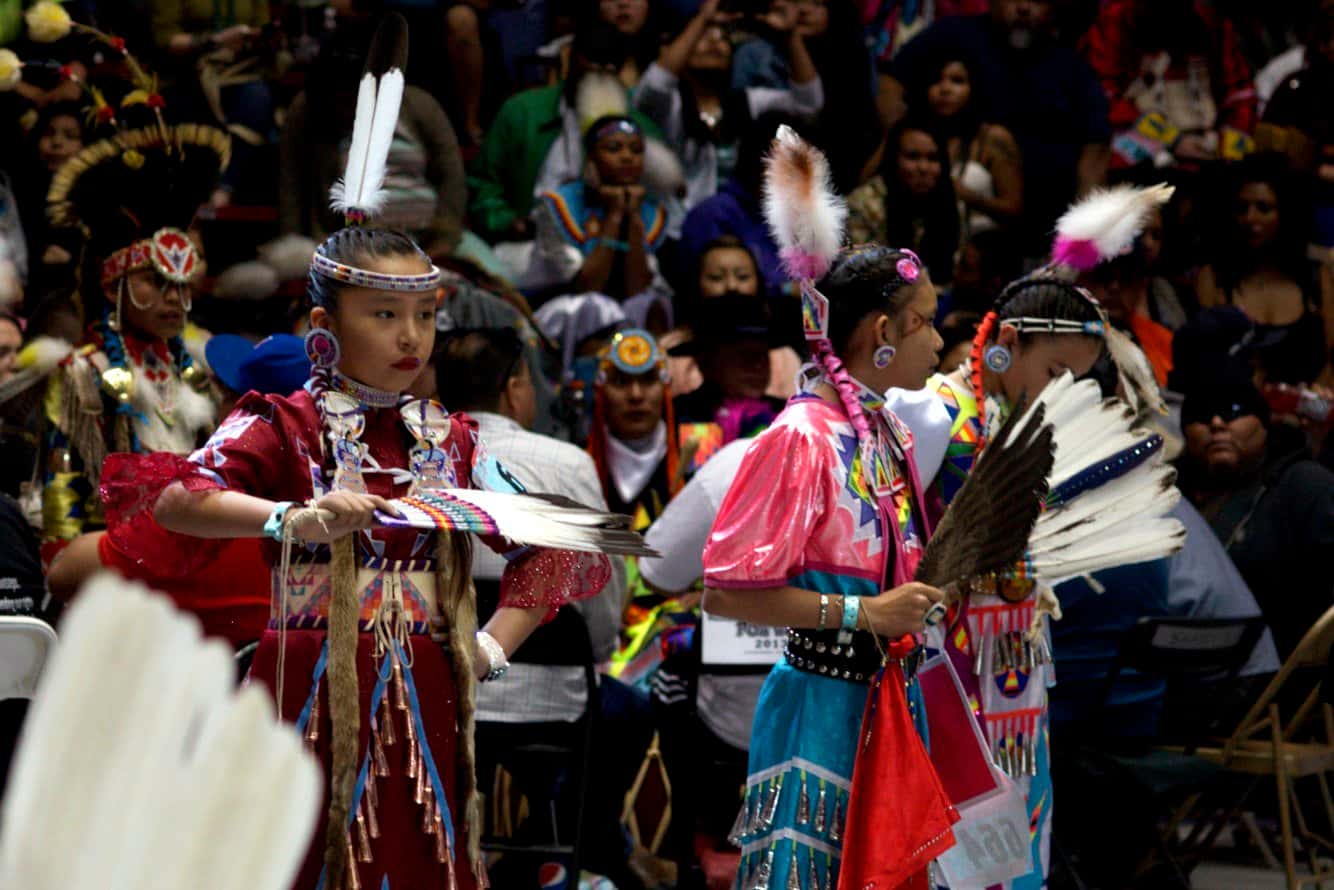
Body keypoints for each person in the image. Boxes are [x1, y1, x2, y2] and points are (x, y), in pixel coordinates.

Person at [117, 26, 618, 886]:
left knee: (422, 856)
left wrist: (489, 652)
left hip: (429, 680)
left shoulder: (451, 439)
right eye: (385, 316)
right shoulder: (285, 422)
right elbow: (176, 497)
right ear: (325, 327)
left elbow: (558, 546)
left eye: (423, 316)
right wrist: (291, 515)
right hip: (304, 680)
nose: (411, 337)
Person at [702, 127, 950, 890]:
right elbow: (726, 590)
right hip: (818, 710)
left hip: (887, 707)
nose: (941, 342)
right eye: (928, 321)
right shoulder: (801, 439)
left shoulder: (878, 432)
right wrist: (865, 618)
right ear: (882, 334)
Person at [433, 325, 647, 890]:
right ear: (515, 388)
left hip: (444, 687)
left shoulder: (418, 459)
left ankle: (539, 852)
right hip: (555, 692)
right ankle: (572, 852)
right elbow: (599, 597)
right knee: (630, 710)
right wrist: (593, 652)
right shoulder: (566, 462)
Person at [38, 105, 227, 564]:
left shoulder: (195, 369)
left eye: (179, 285)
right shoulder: (85, 372)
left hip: (193, 545)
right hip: (115, 551)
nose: (170, 298)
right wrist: (63, 556)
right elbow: (62, 473)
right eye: (154, 282)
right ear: (112, 285)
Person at [45, 334, 312, 649]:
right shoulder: (348, 515)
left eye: (227, 395)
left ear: (239, 414)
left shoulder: (195, 524)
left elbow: (64, 573)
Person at [882, 0, 1111, 246]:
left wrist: (1083, 236)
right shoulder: (953, 36)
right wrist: (904, 149)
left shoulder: (1073, 70)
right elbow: (891, 86)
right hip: (942, 229)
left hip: (1041, 236)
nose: (1024, 7)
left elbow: (1095, 155)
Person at [1179, 370, 1334, 658]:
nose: (1217, 423)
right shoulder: (1167, 499)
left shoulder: (1303, 484)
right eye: (1202, 415)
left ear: (1264, 425)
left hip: (1281, 674)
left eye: (1233, 411)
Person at [280, 23, 467, 259]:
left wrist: (445, 240)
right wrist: (292, 245)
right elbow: (291, 186)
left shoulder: (420, 105)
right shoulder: (306, 111)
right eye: (343, 96)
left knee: (494, 282)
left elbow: (452, 178)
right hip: (351, 243)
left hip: (431, 236)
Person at [466, 24, 658, 245]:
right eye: (594, 62)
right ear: (570, 57)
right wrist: (507, 222)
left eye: (612, 66)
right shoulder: (521, 112)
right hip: (529, 239)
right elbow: (483, 185)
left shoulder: (637, 126)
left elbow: (657, 198)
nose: (602, 73)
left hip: (608, 242)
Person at [633, 0, 824, 220]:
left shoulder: (744, 102)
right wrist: (702, 19)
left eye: (723, 38)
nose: (715, 42)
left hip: (733, 222)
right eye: (704, 37)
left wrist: (791, 36)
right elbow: (654, 83)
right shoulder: (669, 105)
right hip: (676, 224)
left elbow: (808, 104)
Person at [1195, 154, 1332, 386]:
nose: (1250, 218)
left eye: (1263, 208)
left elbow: (1332, 359)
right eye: (1241, 208)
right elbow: (1202, 360)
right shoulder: (1214, 278)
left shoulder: (1316, 278)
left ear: (1286, 214)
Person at [1081, 0, 1256, 171]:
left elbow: (1240, 94)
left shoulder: (1211, 20)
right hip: (1140, 135)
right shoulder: (1115, 20)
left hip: (1209, 138)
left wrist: (1229, 146)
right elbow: (1103, 97)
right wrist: (1172, 140)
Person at [730, 0, 877, 191]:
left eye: (817, 3)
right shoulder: (754, 55)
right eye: (797, 0)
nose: (804, 9)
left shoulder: (854, 58)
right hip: (763, 172)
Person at [529, 113, 669, 306]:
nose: (627, 157)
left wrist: (633, 216)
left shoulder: (651, 210)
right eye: (613, 149)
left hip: (622, 307)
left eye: (636, 150)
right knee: (594, 309)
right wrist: (614, 216)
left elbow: (638, 290)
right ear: (591, 157)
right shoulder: (558, 205)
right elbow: (586, 288)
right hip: (562, 307)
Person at [671, 295, 786, 475]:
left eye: (763, 355)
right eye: (746, 355)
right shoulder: (687, 414)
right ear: (708, 362)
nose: (758, 365)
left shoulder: (787, 416)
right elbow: (703, 481)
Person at [915, 51, 1024, 240]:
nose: (945, 89)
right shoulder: (914, 138)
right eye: (936, 80)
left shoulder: (992, 138)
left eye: (957, 81)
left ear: (973, 87)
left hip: (985, 251)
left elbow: (1014, 210)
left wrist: (964, 194)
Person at [587, 327, 681, 529]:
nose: (636, 395)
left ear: (666, 387)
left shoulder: (701, 452)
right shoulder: (580, 463)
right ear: (600, 391)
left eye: (648, 380)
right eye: (620, 381)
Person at [846, 118, 959, 283]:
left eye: (933, 158)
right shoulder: (863, 204)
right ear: (893, 160)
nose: (923, 168)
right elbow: (863, 277)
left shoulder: (951, 202)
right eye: (912, 157)